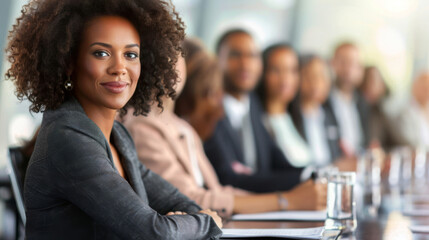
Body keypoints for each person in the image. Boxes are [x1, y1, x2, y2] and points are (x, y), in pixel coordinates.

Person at [5, 0, 222, 239]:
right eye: (101, 53)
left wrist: (189, 221)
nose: (120, 68)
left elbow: (180, 202)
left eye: (131, 54)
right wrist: (205, 222)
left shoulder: (118, 137)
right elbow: (154, 232)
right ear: (68, 62)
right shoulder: (67, 140)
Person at [122, 39, 326, 218]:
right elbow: (188, 198)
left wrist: (286, 200)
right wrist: (285, 201)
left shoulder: (183, 128)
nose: (219, 110)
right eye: (210, 93)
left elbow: (219, 190)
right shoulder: (143, 125)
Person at [204, 29, 310, 193]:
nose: (245, 64)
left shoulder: (252, 104)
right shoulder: (208, 110)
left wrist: (312, 175)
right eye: (235, 55)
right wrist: (302, 179)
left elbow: (276, 160)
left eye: (252, 56)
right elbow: (228, 178)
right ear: (217, 59)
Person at [328, 42, 370, 156]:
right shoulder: (323, 101)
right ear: (332, 64)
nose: (348, 69)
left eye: (353, 64)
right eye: (343, 62)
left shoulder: (363, 103)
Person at [359, 66, 408, 150]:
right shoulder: (359, 108)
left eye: (378, 81)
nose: (380, 85)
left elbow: (399, 138)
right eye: (370, 81)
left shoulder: (383, 108)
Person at [397, 72, 429, 148]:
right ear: (415, 88)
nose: (427, 91)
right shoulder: (406, 113)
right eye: (424, 88)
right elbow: (411, 143)